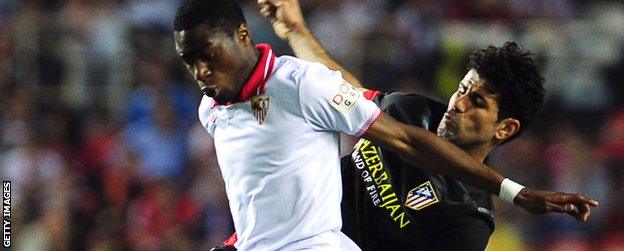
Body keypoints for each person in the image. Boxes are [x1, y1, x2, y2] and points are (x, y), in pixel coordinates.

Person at [173, 0, 597, 250]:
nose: (458, 103)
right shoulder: (413, 111)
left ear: (503, 129)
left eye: (477, 103)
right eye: (463, 89)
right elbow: (340, 94)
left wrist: (513, 192)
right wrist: (298, 32)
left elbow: (409, 144)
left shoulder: (466, 222)